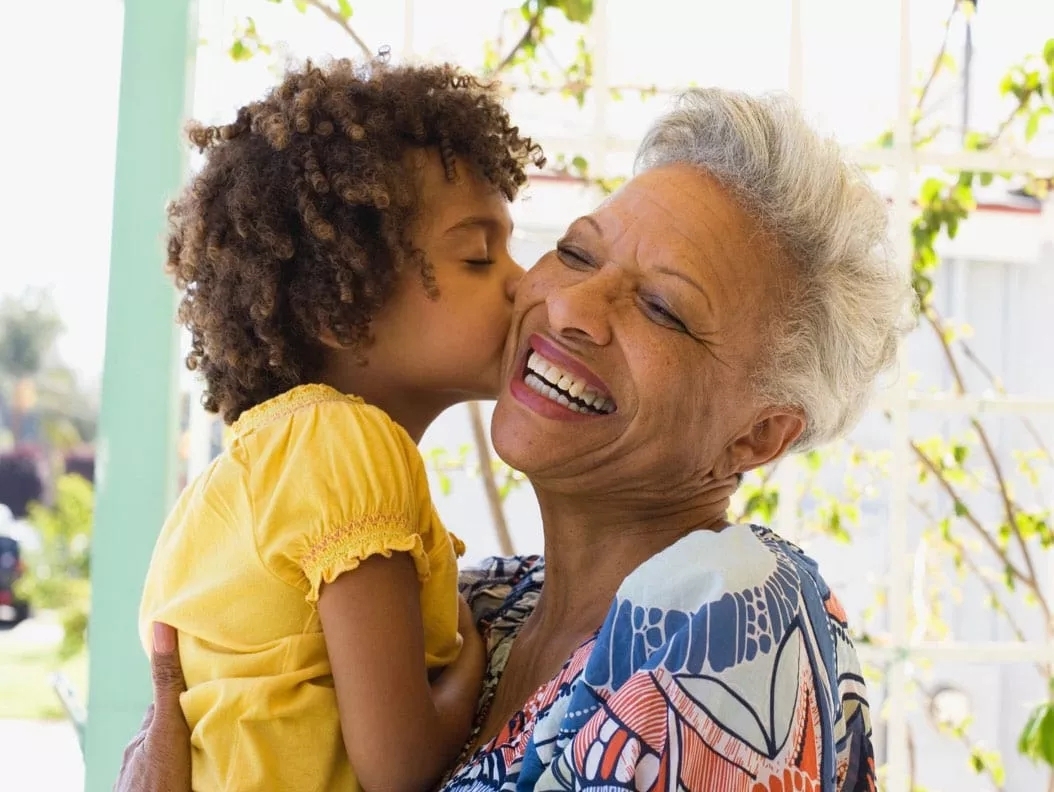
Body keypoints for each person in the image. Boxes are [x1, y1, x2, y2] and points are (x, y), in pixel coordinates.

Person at [119, 86, 913, 791]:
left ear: (759, 435)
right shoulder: (483, 601)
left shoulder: (730, 619)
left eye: (663, 309)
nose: (567, 306)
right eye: (574, 252)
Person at [136, 56, 544, 792]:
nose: (522, 279)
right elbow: (400, 765)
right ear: (338, 309)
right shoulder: (347, 447)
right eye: (479, 256)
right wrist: (486, 668)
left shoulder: (244, 475)